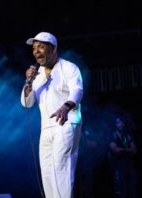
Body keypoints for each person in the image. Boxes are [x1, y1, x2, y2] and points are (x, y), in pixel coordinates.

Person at [21, 32, 83, 198]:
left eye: (41, 47)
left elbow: (77, 90)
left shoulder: (69, 68)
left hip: (66, 123)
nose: (36, 51)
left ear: (54, 48)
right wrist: (28, 82)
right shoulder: (37, 74)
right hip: (46, 128)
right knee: (47, 173)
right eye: (34, 48)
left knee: (61, 169)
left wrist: (66, 106)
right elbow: (27, 103)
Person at [109, 116, 137, 198]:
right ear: (116, 125)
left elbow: (135, 150)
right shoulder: (112, 136)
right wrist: (129, 150)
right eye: (118, 122)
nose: (120, 124)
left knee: (132, 190)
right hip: (118, 167)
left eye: (121, 122)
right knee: (120, 192)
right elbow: (116, 150)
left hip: (130, 166)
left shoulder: (128, 136)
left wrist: (123, 149)